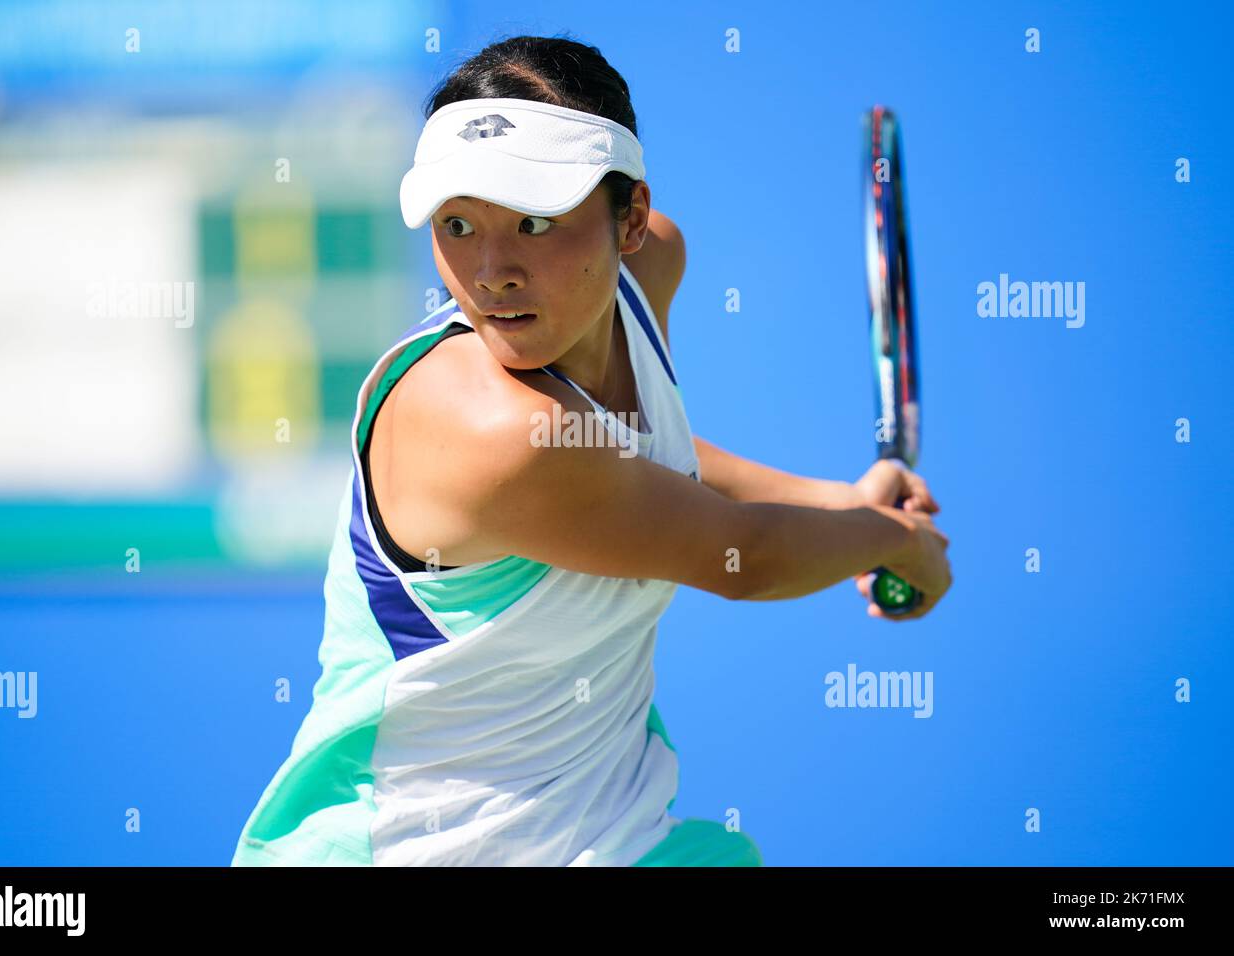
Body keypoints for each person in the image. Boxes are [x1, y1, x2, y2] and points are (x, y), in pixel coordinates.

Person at [230, 34, 950, 868]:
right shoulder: (487, 429)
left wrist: (843, 504)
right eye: (458, 223)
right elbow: (739, 556)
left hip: (617, 843)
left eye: (536, 220)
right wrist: (899, 542)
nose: (492, 269)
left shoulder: (650, 272)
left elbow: (640, 467)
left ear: (632, 219)